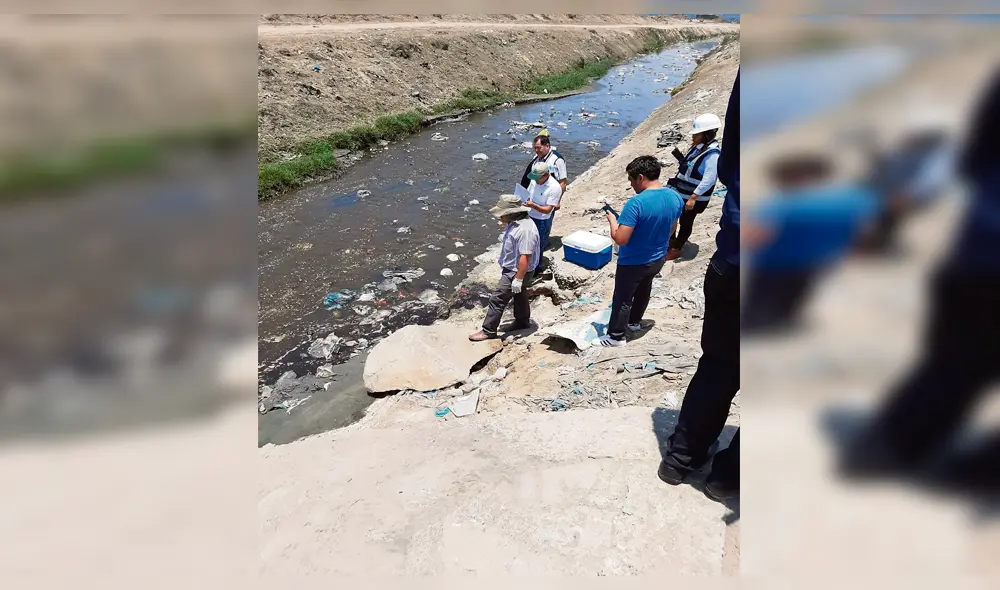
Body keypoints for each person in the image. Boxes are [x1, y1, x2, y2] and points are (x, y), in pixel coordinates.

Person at [839, 67, 1000, 489]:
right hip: (982, 260)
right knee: (957, 366)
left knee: (952, 366)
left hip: (978, 256)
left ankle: (886, 451)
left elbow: (973, 160)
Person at [659, 71, 740, 502]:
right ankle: (730, 475)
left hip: (734, 259)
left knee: (717, 366)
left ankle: (680, 458)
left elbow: (724, 171)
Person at [597, 155, 684, 348]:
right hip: (658, 257)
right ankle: (635, 322)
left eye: (631, 179)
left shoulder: (636, 204)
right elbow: (671, 229)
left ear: (641, 178)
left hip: (633, 261)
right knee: (644, 289)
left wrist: (613, 221)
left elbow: (620, 238)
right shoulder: (675, 197)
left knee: (623, 297)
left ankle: (616, 336)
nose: (631, 185)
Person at [469, 195, 541, 342]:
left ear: (512, 213)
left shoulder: (525, 230)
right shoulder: (516, 223)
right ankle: (522, 321)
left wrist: (518, 279)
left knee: (497, 299)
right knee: (520, 295)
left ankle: (488, 330)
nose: (500, 217)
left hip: (517, 271)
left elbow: (525, 257)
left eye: (502, 214)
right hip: (515, 269)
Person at [665, 113, 723, 261]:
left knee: (686, 221)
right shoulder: (698, 148)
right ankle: (672, 240)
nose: (693, 136)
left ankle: (677, 248)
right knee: (672, 217)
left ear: (706, 134)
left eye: (696, 134)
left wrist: (693, 197)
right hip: (681, 192)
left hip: (692, 197)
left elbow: (709, 179)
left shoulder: (712, 155)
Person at [521, 161, 562, 251]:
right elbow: (528, 192)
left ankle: (538, 264)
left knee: (538, 246)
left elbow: (548, 210)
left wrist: (534, 206)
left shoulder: (554, 187)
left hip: (542, 220)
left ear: (546, 175)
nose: (535, 180)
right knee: (528, 242)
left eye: (538, 178)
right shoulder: (534, 180)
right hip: (529, 216)